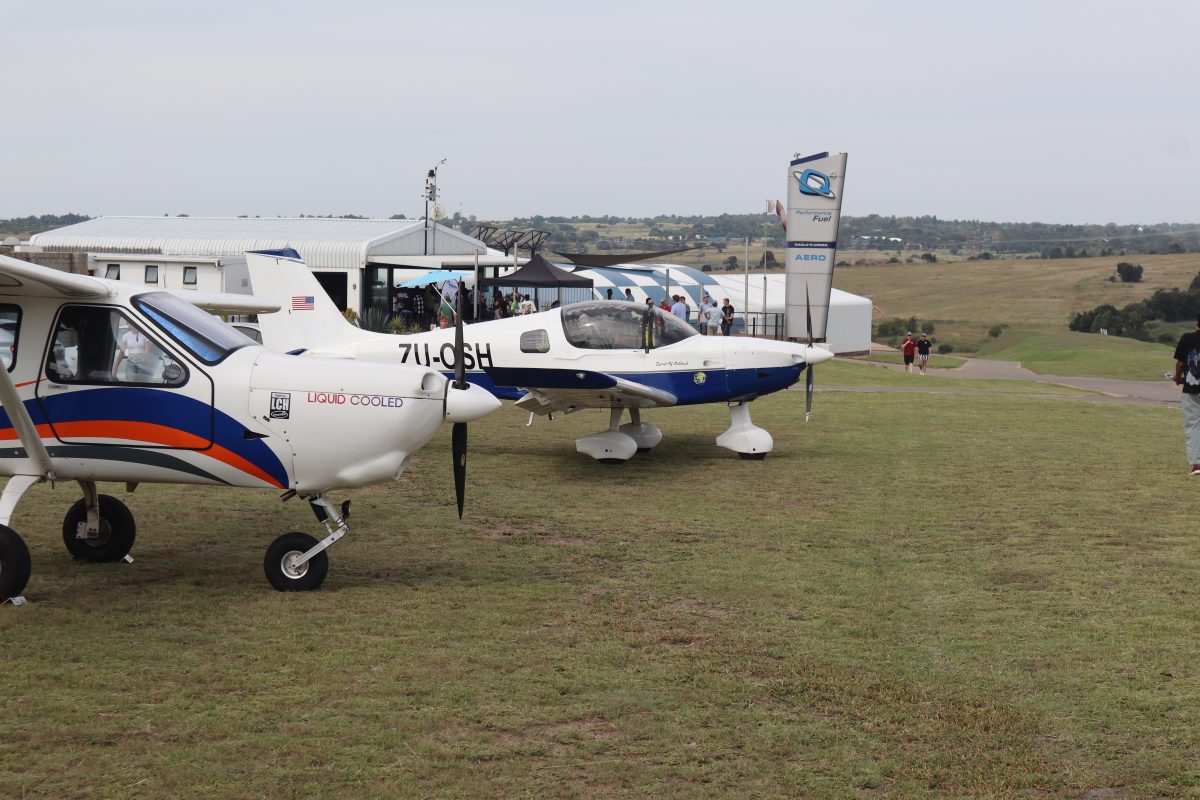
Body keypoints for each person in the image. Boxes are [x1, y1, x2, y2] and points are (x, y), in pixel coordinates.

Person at [1173, 314, 1200, 475]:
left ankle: (1197, 465)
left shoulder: (1187, 338)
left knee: (1193, 426)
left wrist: (1177, 377)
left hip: (1192, 390)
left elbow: (1181, 364)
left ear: (1197, 323)